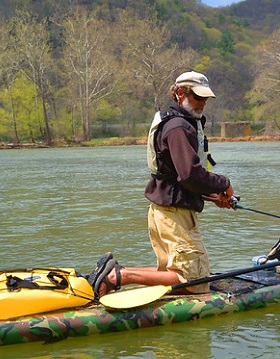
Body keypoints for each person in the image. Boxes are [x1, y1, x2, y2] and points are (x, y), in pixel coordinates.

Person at [88, 71, 237, 297]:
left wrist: (210, 196)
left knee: (175, 273)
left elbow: (174, 177)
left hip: (163, 211)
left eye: (206, 99)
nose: (203, 103)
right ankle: (119, 276)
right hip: (174, 216)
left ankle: (116, 273)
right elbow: (190, 175)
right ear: (179, 93)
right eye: (198, 97)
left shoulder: (173, 122)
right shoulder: (179, 127)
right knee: (195, 281)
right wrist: (223, 184)